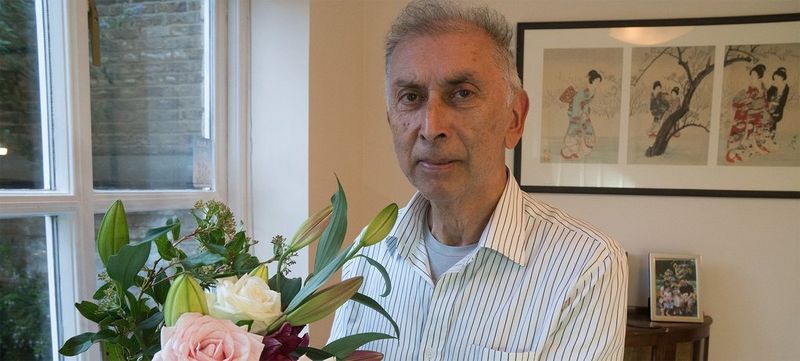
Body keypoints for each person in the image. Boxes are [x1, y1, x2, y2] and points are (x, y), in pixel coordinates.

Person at [329, 1, 628, 360]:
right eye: (411, 97)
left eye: (462, 94)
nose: (431, 127)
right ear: (391, 119)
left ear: (514, 118)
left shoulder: (587, 264)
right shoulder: (367, 253)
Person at [726, 63, 768, 163]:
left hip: (755, 112)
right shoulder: (748, 86)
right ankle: (732, 154)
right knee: (740, 131)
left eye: (755, 74)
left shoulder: (761, 88)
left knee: (751, 131)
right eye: (751, 74)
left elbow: (763, 101)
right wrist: (743, 103)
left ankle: (747, 151)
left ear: (759, 76)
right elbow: (741, 97)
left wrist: (752, 104)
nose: (752, 76)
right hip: (744, 112)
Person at [560, 70, 602, 160]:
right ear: (591, 80)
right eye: (596, 81)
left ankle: (580, 153)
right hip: (577, 114)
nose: (597, 83)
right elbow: (576, 102)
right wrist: (578, 115)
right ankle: (570, 152)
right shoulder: (584, 91)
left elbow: (586, 104)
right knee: (574, 132)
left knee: (588, 132)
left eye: (599, 82)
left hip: (583, 114)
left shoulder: (592, 90)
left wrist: (586, 113)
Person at [766, 67, 789, 144]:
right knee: (766, 122)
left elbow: (783, 101)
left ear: (782, 77)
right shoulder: (774, 85)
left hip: (778, 109)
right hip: (769, 106)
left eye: (778, 77)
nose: (776, 79)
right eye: (775, 77)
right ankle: (766, 139)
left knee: (773, 122)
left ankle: (770, 139)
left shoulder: (785, 87)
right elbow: (767, 96)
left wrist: (777, 111)